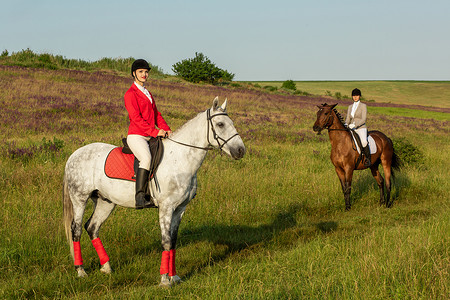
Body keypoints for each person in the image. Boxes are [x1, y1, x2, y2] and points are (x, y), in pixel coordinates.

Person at [124, 59, 172, 209]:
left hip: (150, 135)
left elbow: (156, 114)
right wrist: (155, 132)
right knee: (146, 158)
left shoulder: (147, 93)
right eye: (141, 72)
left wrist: (166, 129)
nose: (144, 74)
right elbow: (136, 118)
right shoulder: (130, 94)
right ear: (134, 74)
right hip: (137, 135)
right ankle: (140, 197)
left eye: (146, 72)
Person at [345, 88, 371, 167]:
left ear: (359, 96)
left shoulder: (363, 106)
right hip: (351, 128)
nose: (355, 97)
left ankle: (367, 158)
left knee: (363, 142)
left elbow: (363, 119)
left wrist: (355, 125)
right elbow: (348, 118)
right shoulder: (350, 107)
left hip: (360, 128)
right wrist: (346, 124)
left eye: (357, 95)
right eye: (354, 95)